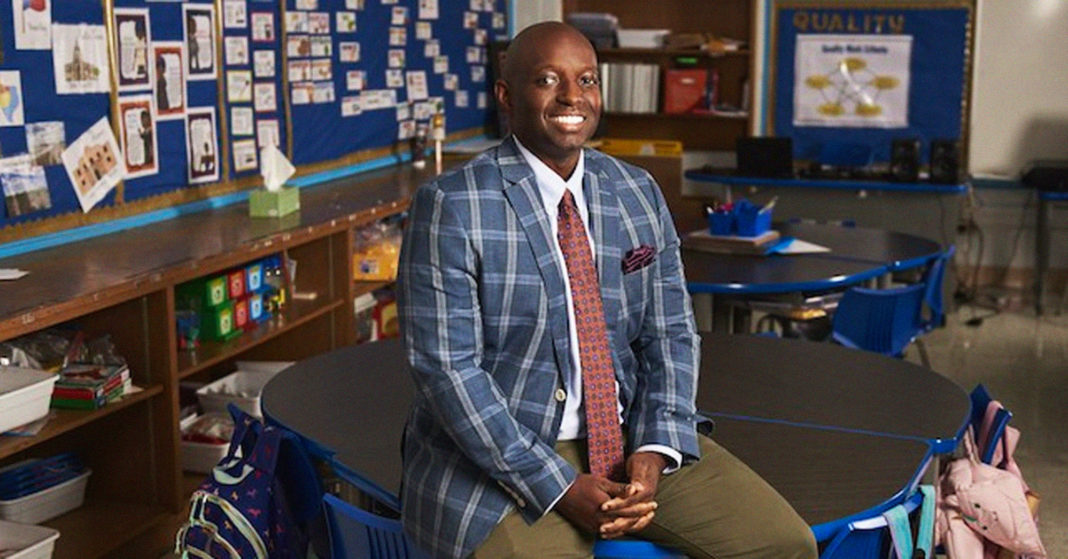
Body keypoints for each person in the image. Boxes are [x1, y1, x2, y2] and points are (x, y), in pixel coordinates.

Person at [397, 21, 817, 559]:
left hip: (624, 436)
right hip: (500, 457)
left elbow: (670, 333)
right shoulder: (452, 205)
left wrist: (655, 447)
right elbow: (448, 372)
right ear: (506, 96)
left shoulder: (637, 191)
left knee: (785, 544)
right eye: (547, 79)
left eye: (587, 80)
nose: (572, 96)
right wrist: (559, 484)